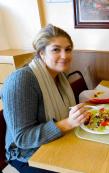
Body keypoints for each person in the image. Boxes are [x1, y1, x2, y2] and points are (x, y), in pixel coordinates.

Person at [1, 24, 88, 173]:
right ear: (41, 53)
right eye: (56, 49)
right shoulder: (22, 80)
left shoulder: (59, 76)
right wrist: (68, 123)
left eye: (68, 49)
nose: (64, 55)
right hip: (26, 155)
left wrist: (79, 116)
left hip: (54, 140)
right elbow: (22, 139)